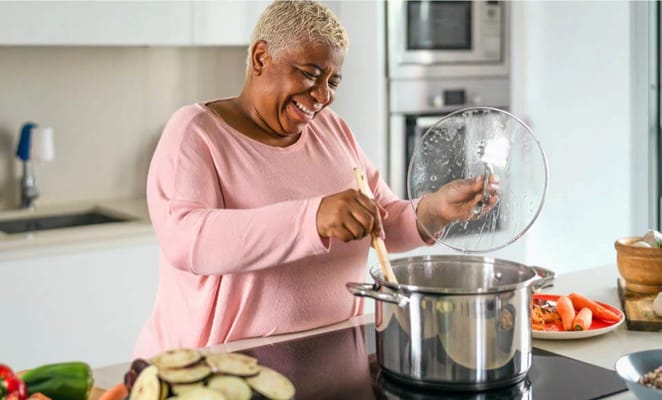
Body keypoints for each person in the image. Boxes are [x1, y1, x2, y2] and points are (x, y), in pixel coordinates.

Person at [133, 0, 498, 358]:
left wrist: (435, 209)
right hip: (220, 369)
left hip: (335, 356)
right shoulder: (197, 132)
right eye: (310, 74)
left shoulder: (332, 130)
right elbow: (188, 240)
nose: (323, 96)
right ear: (261, 58)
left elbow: (381, 221)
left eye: (332, 81)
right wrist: (312, 219)